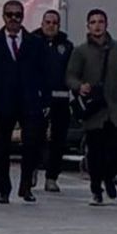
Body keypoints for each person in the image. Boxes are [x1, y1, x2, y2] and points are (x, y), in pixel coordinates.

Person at [67, 8, 117, 206]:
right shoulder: (80, 51)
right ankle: (96, 188)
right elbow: (70, 76)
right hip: (95, 112)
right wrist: (79, 86)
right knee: (95, 152)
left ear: (106, 24)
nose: (97, 26)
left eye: (100, 21)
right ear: (88, 26)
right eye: (93, 22)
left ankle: (109, 177)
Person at [0, 0, 47, 204]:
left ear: (23, 17)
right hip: (3, 101)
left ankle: (26, 186)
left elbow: (44, 70)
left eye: (18, 15)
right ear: (4, 17)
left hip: (29, 101)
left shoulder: (35, 43)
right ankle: (4, 188)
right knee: (1, 148)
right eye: (10, 15)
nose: (14, 19)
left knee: (31, 145)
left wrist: (44, 97)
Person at [33, 10, 74, 193]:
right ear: (42, 23)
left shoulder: (66, 46)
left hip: (60, 98)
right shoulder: (32, 42)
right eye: (48, 22)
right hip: (38, 99)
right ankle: (31, 170)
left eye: (55, 23)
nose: (51, 26)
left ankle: (52, 177)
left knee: (58, 140)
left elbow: (71, 72)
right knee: (35, 138)